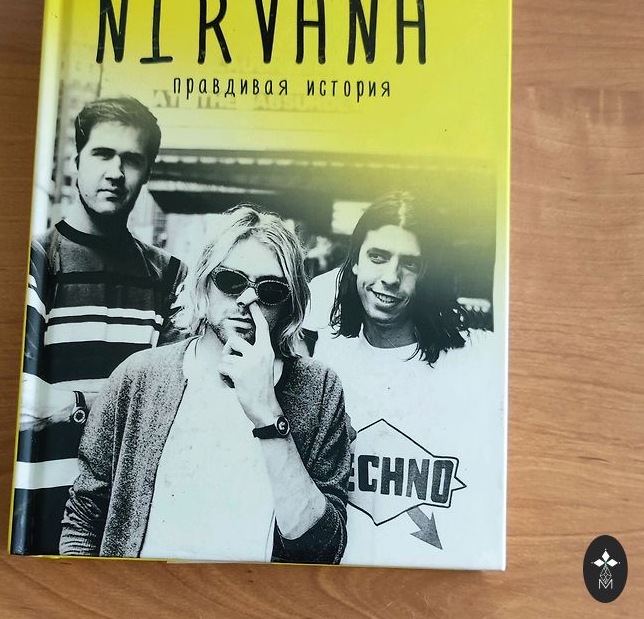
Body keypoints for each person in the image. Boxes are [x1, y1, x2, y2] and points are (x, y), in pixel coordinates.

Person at [60, 206, 350, 564]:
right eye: (231, 281)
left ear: (289, 304)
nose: (247, 299)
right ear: (204, 283)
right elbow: (86, 513)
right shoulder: (139, 377)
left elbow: (322, 551)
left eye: (270, 290)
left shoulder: (319, 389)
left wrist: (266, 412)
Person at [12, 97, 187, 555]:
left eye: (132, 160)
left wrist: (68, 403)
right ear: (77, 161)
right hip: (37, 517)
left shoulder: (169, 277)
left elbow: (173, 404)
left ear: (147, 173)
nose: (115, 172)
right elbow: (20, 401)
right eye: (102, 154)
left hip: (127, 527)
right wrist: (122, 401)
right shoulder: (33, 260)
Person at [307, 191, 504, 569]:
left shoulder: (479, 358)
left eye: (409, 263)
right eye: (377, 257)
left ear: (426, 272)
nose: (390, 278)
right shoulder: (326, 356)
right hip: (341, 578)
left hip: (436, 578)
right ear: (354, 262)